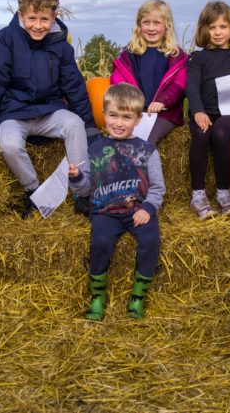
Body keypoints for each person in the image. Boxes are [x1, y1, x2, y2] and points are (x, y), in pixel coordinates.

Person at [0, 0, 98, 218]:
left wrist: (90, 124)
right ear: (21, 15)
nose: (38, 25)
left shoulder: (61, 46)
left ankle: (83, 193)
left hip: (49, 110)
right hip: (13, 113)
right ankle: (34, 191)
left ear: (54, 17)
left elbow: (74, 86)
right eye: (32, 18)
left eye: (44, 19)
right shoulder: (5, 40)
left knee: (75, 125)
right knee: (9, 145)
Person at [68, 83, 166, 320]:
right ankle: (98, 297)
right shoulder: (95, 149)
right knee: (99, 243)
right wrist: (77, 178)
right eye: (113, 115)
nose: (118, 123)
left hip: (137, 210)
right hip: (105, 211)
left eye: (126, 117)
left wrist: (148, 208)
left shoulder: (147, 150)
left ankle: (137, 297)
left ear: (138, 119)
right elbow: (85, 188)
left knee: (151, 240)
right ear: (103, 115)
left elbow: (157, 187)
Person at [185, 0, 230, 219]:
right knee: (202, 132)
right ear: (204, 29)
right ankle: (198, 195)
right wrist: (197, 111)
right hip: (204, 111)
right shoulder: (197, 58)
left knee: (220, 132)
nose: (217, 32)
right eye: (212, 27)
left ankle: (223, 193)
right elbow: (192, 88)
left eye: (223, 27)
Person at [109, 0, 188, 146]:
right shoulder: (129, 54)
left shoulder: (176, 56)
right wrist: (129, 100)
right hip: (134, 110)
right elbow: (118, 79)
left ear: (167, 26)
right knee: (117, 139)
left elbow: (179, 85)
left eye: (157, 23)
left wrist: (163, 101)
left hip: (165, 113)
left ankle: (146, 169)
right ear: (139, 25)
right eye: (146, 22)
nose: (151, 28)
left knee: (147, 141)